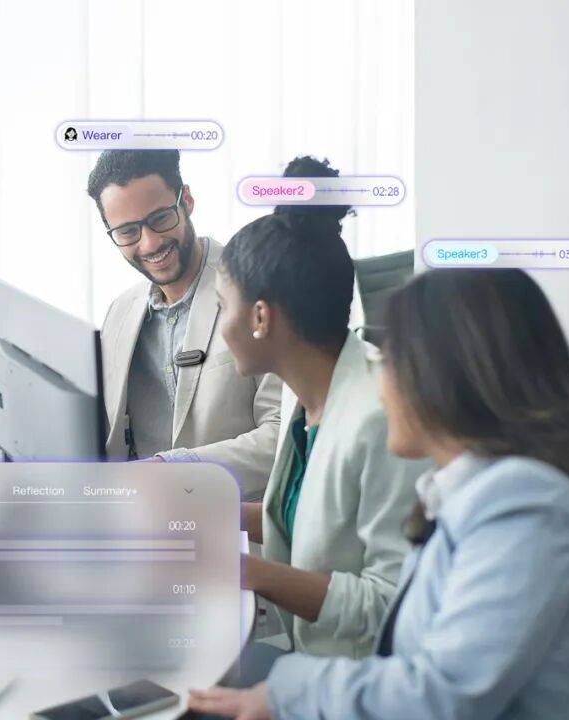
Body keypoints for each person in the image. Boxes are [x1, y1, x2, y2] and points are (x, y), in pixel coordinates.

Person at [189, 269, 569, 719]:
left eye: (387, 361)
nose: (379, 386)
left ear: (445, 376)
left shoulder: (526, 512)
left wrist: (283, 692)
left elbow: (438, 697)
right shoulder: (478, 494)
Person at [0, 150, 282, 501]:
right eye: (128, 231)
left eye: (160, 218)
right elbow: (95, 442)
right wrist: (3, 447)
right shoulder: (122, 312)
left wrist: (173, 469)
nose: (150, 243)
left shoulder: (259, 289)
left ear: (186, 200)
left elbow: (282, 437)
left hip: (231, 520)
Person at [216, 157, 431, 665]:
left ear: (261, 317)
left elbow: (391, 602)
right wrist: (204, 516)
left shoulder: (382, 418)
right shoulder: (311, 392)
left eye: (223, 306)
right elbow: (311, 518)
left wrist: (246, 573)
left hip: (363, 682)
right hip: (310, 662)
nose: (220, 325)